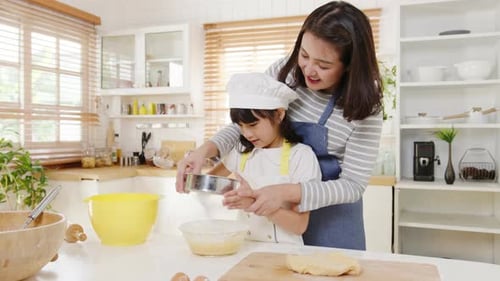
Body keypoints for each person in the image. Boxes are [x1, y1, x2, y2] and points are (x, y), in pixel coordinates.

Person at [176, 1, 383, 250]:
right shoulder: (285, 73)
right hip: (276, 213)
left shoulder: (365, 105)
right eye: (304, 55)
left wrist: (285, 192)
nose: (308, 69)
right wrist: (204, 152)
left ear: (350, 65)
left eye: (324, 65)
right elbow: (248, 121)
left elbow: (353, 185)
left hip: (332, 218)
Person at [208, 72, 321, 245]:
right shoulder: (241, 152)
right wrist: (192, 173)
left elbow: (299, 225)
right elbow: (210, 182)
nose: (247, 133)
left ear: (279, 114)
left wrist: (253, 204)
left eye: (253, 125)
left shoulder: (301, 156)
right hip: (243, 249)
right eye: (241, 126)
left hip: (284, 254)